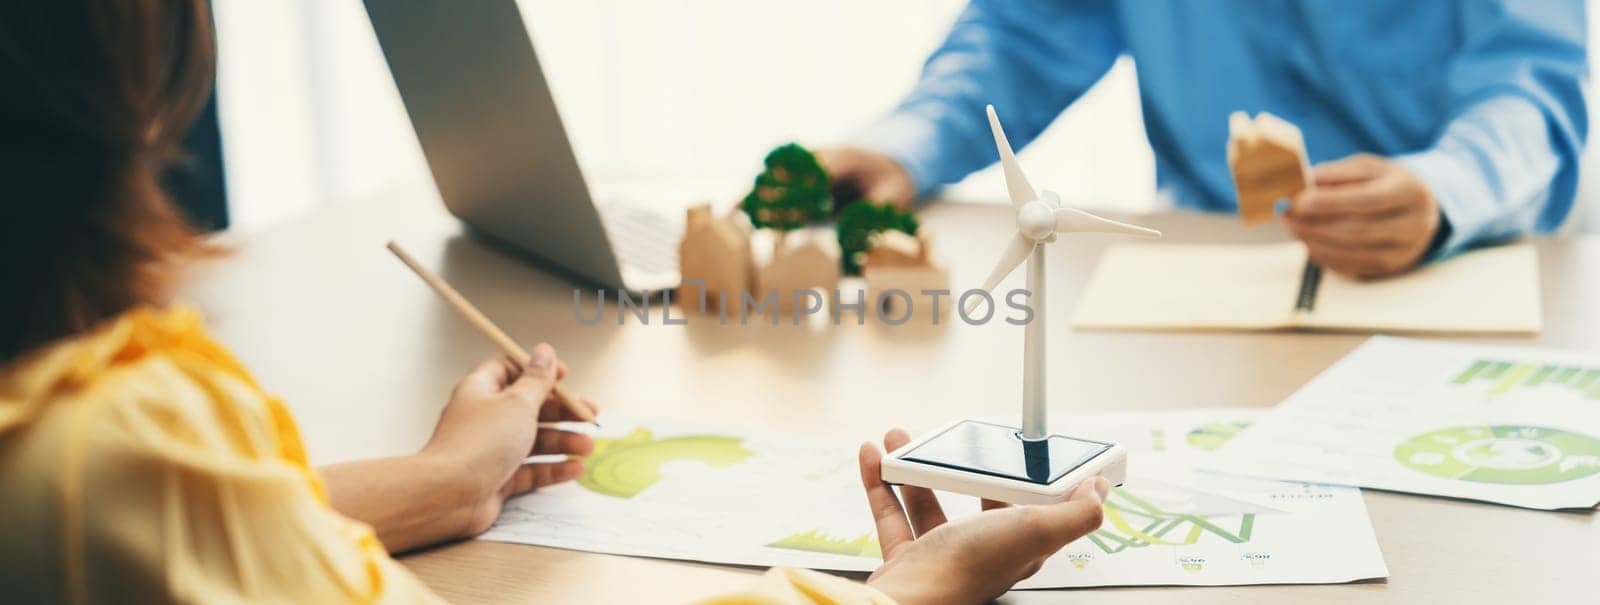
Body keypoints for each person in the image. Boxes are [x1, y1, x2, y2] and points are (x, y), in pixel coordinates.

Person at [0, 1, 1105, 603]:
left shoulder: (82, 449)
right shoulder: (114, 442)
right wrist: (901, 601)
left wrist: (436, 483)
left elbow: (181, 535)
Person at [821, 0, 1588, 279]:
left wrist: (1447, 189)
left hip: (1457, 260)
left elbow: (1531, 81)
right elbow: (1026, 33)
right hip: (1211, 265)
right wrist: (907, 143)